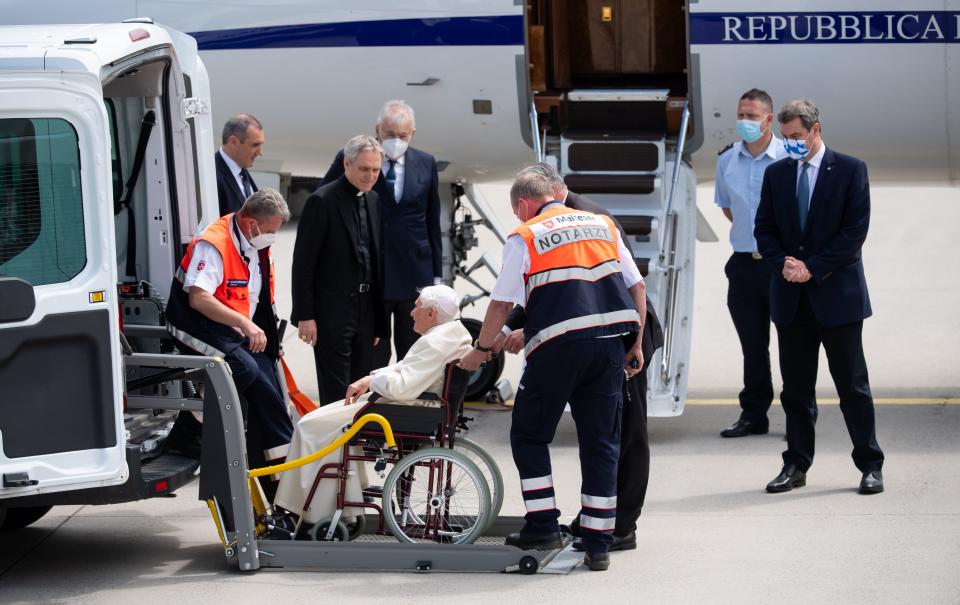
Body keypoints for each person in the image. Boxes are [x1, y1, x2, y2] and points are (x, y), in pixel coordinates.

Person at [460, 172, 646, 572]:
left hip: (558, 348)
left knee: (529, 434)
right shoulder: (601, 223)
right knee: (601, 443)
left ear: (523, 205)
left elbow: (499, 303)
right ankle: (598, 544)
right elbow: (637, 286)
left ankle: (543, 523)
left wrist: (482, 349)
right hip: (610, 344)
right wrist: (636, 342)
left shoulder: (526, 235)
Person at [500, 162, 663, 553]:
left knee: (625, 435)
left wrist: (635, 343)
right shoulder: (576, 218)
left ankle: (619, 526)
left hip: (620, 335)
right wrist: (516, 328)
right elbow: (557, 285)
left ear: (532, 201)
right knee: (601, 439)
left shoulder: (590, 218)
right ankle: (598, 535)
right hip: (609, 332)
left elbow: (596, 286)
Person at [754, 99, 884, 495]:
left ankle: (870, 463)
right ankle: (796, 464)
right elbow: (764, 230)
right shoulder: (777, 174)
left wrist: (813, 267)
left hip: (837, 298)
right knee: (795, 390)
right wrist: (785, 265)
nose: (791, 144)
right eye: (786, 137)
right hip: (792, 299)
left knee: (852, 387)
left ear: (815, 130)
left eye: (797, 136)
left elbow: (854, 232)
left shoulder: (849, 169)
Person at [273, 285, 472, 525]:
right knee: (319, 422)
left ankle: (307, 511)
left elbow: (400, 387)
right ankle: (340, 501)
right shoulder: (452, 333)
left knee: (309, 426)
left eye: (417, 306)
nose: (411, 312)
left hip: (400, 408)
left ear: (431, 313)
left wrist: (373, 381)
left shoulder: (433, 343)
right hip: (407, 405)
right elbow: (405, 369)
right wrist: (370, 378)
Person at [164, 188, 294, 480]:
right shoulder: (214, 244)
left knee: (268, 383)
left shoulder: (256, 244)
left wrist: (268, 339)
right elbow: (199, 299)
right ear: (251, 224)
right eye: (271, 230)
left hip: (230, 328)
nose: (273, 237)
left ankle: (280, 470)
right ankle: (187, 433)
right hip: (194, 323)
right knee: (242, 369)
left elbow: (259, 297)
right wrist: (246, 325)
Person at [320, 100, 443, 368]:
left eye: (402, 136)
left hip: (413, 272)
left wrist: (436, 275)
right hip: (372, 272)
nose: (396, 141)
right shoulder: (354, 158)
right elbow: (325, 198)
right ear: (377, 130)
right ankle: (372, 404)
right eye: (389, 135)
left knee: (412, 350)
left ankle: (406, 407)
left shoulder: (425, 163)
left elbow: (432, 220)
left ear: (412, 134)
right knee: (374, 352)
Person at [291, 135, 389, 405]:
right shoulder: (322, 201)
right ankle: (334, 444)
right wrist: (305, 315)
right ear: (346, 164)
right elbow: (303, 263)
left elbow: (375, 260)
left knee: (361, 386)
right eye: (364, 169)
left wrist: (379, 319)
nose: (370, 176)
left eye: (375, 170)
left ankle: (355, 444)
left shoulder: (373, 200)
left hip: (366, 310)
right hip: (332, 313)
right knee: (335, 392)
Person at [714, 89, 786, 438]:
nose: (745, 122)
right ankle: (754, 414)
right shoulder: (726, 161)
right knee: (752, 346)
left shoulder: (789, 156)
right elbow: (728, 208)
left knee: (792, 342)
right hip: (743, 265)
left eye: (753, 116)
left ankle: (801, 415)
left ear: (769, 120)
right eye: (741, 115)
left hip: (781, 266)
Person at [215, 113, 264, 215]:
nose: (260, 152)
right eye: (255, 145)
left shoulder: (242, 171)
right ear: (233, 142)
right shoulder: (212, 176)